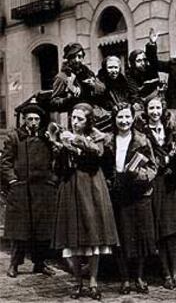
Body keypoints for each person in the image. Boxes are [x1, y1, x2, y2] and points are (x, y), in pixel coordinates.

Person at [51, 103, 119, 300]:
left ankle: (93, 282)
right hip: (70, 186)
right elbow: (56, 167)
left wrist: (76, 140)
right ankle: (77, 282)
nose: (75, 122)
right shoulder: (66, 134)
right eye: (73, 118)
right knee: (72, 237)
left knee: (93, 235)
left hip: (91, 186)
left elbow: (97, 152)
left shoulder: (97, 136)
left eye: (80, 119)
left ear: (88, 120)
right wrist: (58, 147)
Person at [138, 95, 176, 289]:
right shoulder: (142, 132)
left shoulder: (172, 130)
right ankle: (167, 273)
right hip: (156, 184)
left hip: (174, 185)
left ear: (162, 110)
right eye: (151, 108)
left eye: (157, 108)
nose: (154, 112)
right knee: (162, 231)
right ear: (146, 111)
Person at [103, 102, 157, 295]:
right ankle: (125, 278)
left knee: (141, 238)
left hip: (139, 193)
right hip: (118, 194)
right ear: (115, 119)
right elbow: (103, 168)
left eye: (127, 117)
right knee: (122, 238)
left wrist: (139, 175)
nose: (124, 121)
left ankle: (140, 277)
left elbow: (153, 168)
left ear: (133, 118)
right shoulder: (108, 140)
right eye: (120, 117)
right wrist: (110, 183)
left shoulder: (142, 140)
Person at [1, 99, 57, 278]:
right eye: (30, 119)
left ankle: (40, 264)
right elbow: (5, 162)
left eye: (37, 119)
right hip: (21, 189)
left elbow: (55, 159)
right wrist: (12, 181)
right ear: (24, 120)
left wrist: (52, 180)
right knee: (20, 230)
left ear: (41, 121)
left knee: (42, 229)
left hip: (42, 190)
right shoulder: (15, 137)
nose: (33, 122)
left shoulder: (46, 137)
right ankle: (14, 264)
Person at [51, 42, 105, 113]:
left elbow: (103, 90)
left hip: (91, 114)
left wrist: (94, 85)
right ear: (68, 58)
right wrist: (68, 98)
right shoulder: (62, 77)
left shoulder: (88, 73)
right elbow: (53, 102)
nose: (77, 60)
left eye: (80, 56)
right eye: (73, 57)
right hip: (75, 116)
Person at [125, 40, 160, 110]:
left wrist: (152, 44)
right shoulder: (130, 77)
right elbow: (134, 95)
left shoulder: (150, 71)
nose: (143, 63)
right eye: (139, 61)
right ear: (132, 63)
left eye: (144, 60)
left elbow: (153, 58)